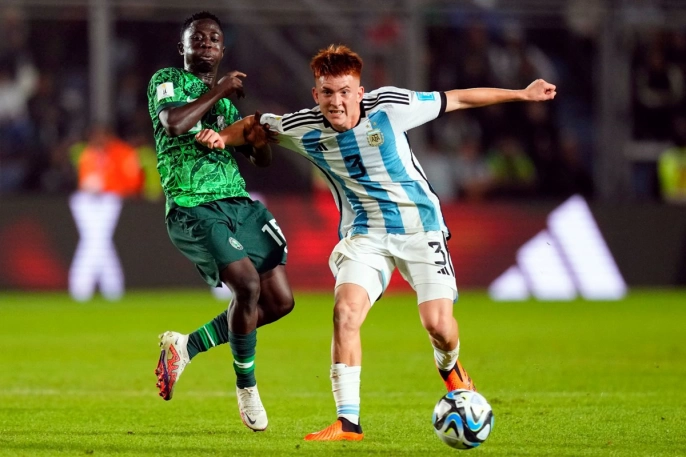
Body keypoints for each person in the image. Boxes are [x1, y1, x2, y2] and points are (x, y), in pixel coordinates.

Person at [196, 44, 556, 441]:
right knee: (345, 312)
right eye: (327, 92)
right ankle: (348, 422)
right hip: (365, 235)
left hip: (421, 228)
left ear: (360, 92)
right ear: (316, 94)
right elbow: (254, 125)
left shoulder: (390, 107)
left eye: (344, 92)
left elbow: (457, 98)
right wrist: (221, 138)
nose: (336, 101)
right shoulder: (302, 126)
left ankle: (450, 366)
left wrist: (522, 94)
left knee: (439, 326)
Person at [146, 11, 295, 432]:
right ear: (182, 47)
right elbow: (173, 123)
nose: (207, 43)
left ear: (223, 49)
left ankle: (186, 347)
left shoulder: (226, 107)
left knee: (280, 302)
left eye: (214, 38)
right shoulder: (167, 81)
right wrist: (221, 89)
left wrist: (259, 140)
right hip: (193, 205)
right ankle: (247, 387)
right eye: (198, 38)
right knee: (247, 286)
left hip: (239, 204)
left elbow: (260, 160)